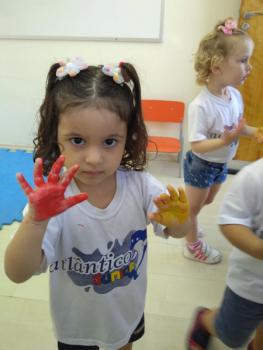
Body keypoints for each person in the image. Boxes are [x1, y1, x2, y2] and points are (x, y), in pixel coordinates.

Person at [4, 58, 190, 350]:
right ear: (57, 137)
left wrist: (181, 221)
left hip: (126, 313)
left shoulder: (141, 187)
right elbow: (16, 273)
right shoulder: (53, 202)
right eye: (78, 140)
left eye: (109, 141)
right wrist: (35, 222)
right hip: (77, 326)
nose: (94, 158)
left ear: (127, 137)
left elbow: (178, 232)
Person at [183, 17, 263, 264]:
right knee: (191, 209)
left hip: (220, 164)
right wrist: (224, 141)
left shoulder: (234, 96)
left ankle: (191, 226)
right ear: (217, 67)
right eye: (242, 60)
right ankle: (191, 244)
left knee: (208, 200)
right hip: (202, 164)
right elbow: (196, 144)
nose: (248, 67)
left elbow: (236, 128)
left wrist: (252, 132)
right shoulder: (201, 105)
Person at [186, 157, 263, 350]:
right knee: (232, 336)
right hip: (252, 284)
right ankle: (205, 320)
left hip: (216, 163)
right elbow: (230, 221)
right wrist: (258, 248)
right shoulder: (254, 177)